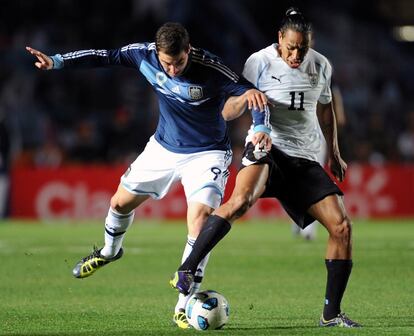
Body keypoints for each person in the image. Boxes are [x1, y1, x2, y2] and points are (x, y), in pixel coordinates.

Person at [26, 22, 268, 329]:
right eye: (167, 63)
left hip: (207, 154)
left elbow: (252, 93)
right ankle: (109, 252)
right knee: (119, 204)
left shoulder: (211, 67)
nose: (173, 69)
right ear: (158, 53)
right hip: (163, 149)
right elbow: (105, 56)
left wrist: (260, 126)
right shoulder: (143, 55)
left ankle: (183, 305)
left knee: (200, 220)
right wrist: (59, 61)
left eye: (178, 62)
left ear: (188, 50)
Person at [170, 9, 361, 328]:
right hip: (267, 148)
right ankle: (188, 269)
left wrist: (335, 154)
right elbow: (228, 111)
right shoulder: (258, 62)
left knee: (341, 227)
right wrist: (247, 98)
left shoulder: (321, 65)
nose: (296, 54)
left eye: (302, 47)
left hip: (304, 158)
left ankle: (331, 314)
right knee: (240, 201)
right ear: (279, 41)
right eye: (290, 48)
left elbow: (326, 111)